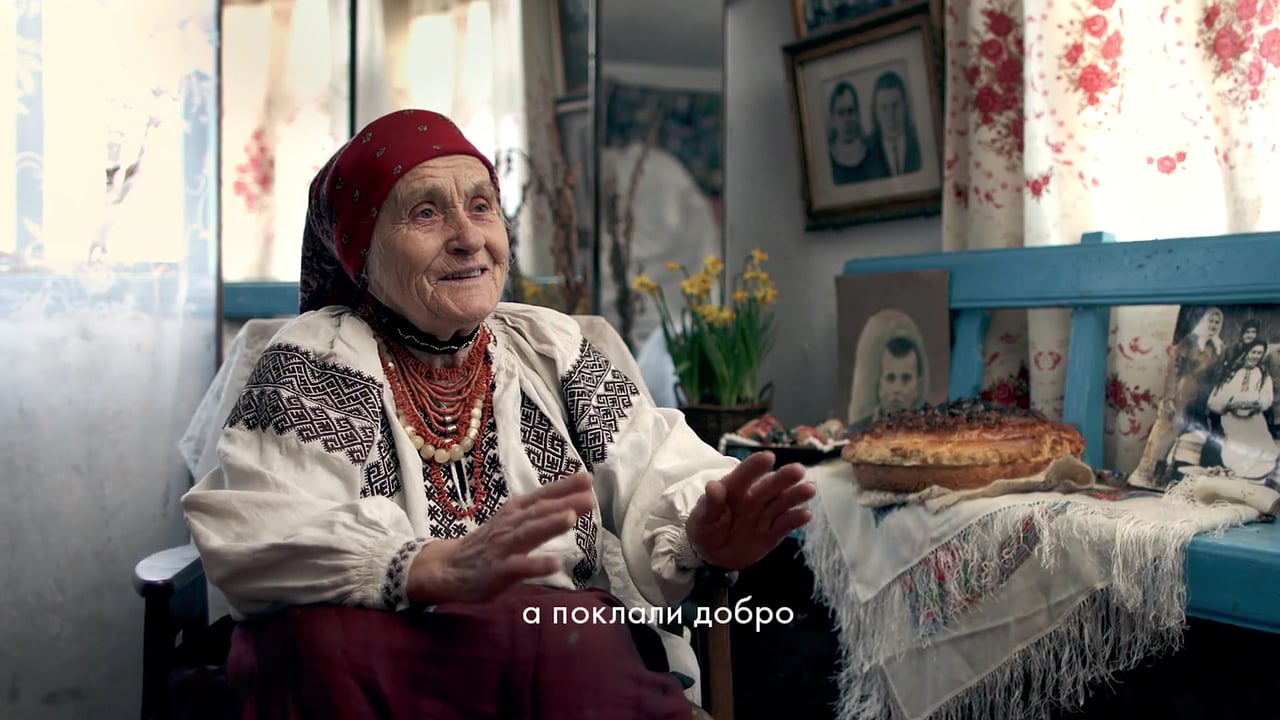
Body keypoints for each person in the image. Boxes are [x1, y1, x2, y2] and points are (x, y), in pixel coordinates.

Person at [181, 109, 815, 719]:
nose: (468, 238)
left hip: (549, 648)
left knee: (575, 633)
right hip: (384, 649)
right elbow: (270, 526)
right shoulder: (318, 358)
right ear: (363, 250)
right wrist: (424, 567)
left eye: (482, 206)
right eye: (427, 212)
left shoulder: (548, 349)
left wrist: (703, 532)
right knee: (311, 646)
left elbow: (652, 462)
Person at [1136, 306, 1225, 485]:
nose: (1213, 325)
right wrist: (1169, 398)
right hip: (1184, 391)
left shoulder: (1219, 347)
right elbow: (1174, 369)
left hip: (1204, 396)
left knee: (1198, 434)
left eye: (1217, 322)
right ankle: (1155, 471)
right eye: (1211, 321)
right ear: (1204, 321)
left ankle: (1178, 476)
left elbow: (1218, 374)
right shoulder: (1190, 341)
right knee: (1173, 429)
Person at [846, 308, 929, 431]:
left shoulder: (932, 433)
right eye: (890, 378)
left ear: (917, 386)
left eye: (906, 379)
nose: (897, 389)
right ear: (880, 385)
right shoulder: (857, 433)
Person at [1207, 340, 1278, 483]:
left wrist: (1255, 405)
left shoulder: (1263, 375)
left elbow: (1267, 399)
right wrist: (1231, 405)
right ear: (1246, 353)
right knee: (1236, 445)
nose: (1255, 356)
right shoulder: (1230, 374)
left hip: (1253, 417)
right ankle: (1238, 475)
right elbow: (1215, 400)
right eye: (1253, 352)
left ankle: (1256, 478)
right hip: (1231, 417)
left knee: (1262, 444)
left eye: (1259, 353)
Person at [863, 71, 922, 178]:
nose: (891, 116)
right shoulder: (864, 152)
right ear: (875, 112)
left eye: (895, 106)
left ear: (905, 107)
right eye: (884, 108)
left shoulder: (921, 143)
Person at [827, 81, 877, 185]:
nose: (847, 120)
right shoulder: (827, 161)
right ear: (832, 119)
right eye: (841, 113)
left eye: (850, 111)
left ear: (858, 115)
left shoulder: (873, 156)